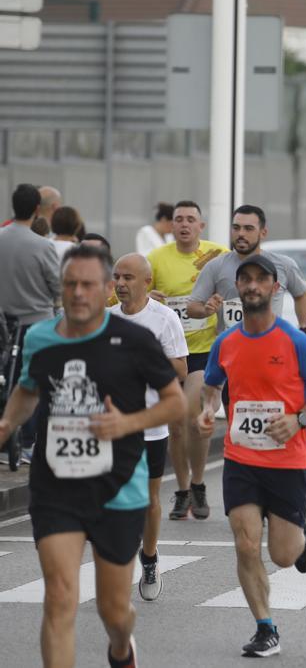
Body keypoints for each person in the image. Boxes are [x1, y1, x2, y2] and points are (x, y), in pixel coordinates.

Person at [0, 245, 184, 667]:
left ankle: (122, 648)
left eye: (88, 284)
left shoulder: (136, 340)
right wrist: (7, 424)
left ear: (106, 290)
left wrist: (127, 423)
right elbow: (28, 389)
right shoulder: (42, 338)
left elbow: (175, 403)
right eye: (70, 284)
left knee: (113, 611)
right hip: (56, 486)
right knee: (60, 597)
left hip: (118, 487)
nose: (78, 293)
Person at [197, 254, 306, 658]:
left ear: (276, 288)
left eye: (261, 280)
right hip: (240, 458)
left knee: (283, 555)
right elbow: (210, 388)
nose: (253, 286)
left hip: (287, 460)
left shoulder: (293, 340)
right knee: (244, 544)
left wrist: (299, 419)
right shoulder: (225, 343)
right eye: (246, 280)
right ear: (237, 289)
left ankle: (301, 535)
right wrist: (207, 413)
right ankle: (265, 628)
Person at [109, 254, 188, 600]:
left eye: (128, 277)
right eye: (116, 277)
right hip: (113, 424)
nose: (121, 284)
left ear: (147, 283)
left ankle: (150, 556)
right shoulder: (106, 319)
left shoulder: (164, 318)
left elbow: (181, 370)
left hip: (152, 424)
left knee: (150, 498)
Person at [147, 200, 228, 521]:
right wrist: (147, 296)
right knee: (176, 426)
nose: (183, 224)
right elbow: (133, 288)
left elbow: (237, 292)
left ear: (200, 226)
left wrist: (217, 303)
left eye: (190, 219)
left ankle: (198, 483)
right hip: (169, 351)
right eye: (178, 219)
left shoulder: (216, 255)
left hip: (203, 349)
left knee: (191, 412)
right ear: (171, 225)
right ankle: (183, 491)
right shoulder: (156, 259)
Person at [0, 184, 62, 465]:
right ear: (38, 209)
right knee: (34, 384)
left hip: (4, 324)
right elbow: (56, 286)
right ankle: (26, 443)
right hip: (37, 325)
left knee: (5, 381)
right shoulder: (43, 245)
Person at [186, 205, 306, 338]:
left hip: (271, 345)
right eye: (236, 228)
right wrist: (206, 310)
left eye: (248, 229)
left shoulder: (284, 265)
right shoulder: (215, 266)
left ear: (263, 233)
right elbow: (192, 307)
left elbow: (301, 295)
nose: (241, 234)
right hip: (231, 348)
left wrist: (303, 326)